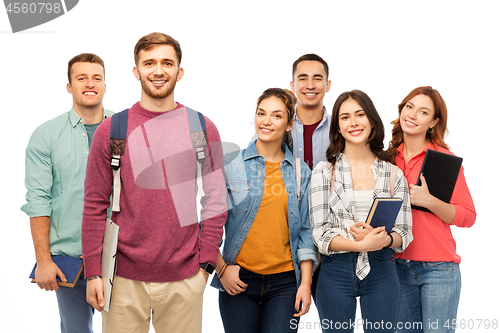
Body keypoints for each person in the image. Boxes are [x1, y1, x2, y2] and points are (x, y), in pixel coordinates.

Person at [81, 32, 227, 333]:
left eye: (167, 63)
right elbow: (95, 204)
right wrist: (94, 272)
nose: (158, 70)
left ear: (179, 71)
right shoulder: (112, 130)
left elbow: (215, 198)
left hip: (185, 280)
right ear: (136, 71)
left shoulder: (201, 127)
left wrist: (205, 264)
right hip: (121, 280)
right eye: (149, 63)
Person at [211, 88, 316, 333]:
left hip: (285, 284)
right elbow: (209, 223)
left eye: (277, 116)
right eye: (261, 113)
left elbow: (306, 233)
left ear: (290, 124)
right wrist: (222, 270)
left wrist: (306, 285)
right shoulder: (231, 164)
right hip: (238, 281)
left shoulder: (302, 173)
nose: (266, 121)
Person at [309, 90, 413, 333]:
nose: (353, 122)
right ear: (337, 127)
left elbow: (405, 232)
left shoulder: (393, 174)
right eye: (345, 117)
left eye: (360, 114)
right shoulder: (324, 172)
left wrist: (384, 238)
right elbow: (320, 233)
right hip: (335, 270)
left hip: (382, 269)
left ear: (372, 121)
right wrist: (359, 245)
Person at [21, 53, 112, 333]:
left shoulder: (124, 129)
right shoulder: (46, 135)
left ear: (105, 85)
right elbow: (38, 200)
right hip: (69, 260)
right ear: (69, 86)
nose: (90, 83)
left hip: (117, 257)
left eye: (97, 78)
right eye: (81, 77)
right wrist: (44, 260)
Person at [386, 86, 476, 333]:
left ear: (433, 122)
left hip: (438, 269)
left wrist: (430, 201)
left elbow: (468, 216)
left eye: (423, 112)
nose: (413, 115)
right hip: (396, 266)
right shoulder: (387, 159)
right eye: (409, 107)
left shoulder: (444, 160)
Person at [289, 53, 332, 170]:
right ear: (293, 86)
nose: (310, 85)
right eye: (303, 79)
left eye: (317, 79)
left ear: (328, 85)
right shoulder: (277, 126)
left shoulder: (339, 127)